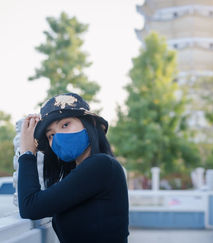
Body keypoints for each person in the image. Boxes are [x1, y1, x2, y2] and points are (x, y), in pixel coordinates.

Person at [17, 92, 129, 243]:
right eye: (51, 135)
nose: (58, 137)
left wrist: (27, 153)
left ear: (91, 124)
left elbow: (30, 206)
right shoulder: (79, 174)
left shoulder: (101, 166)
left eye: (65, 125)